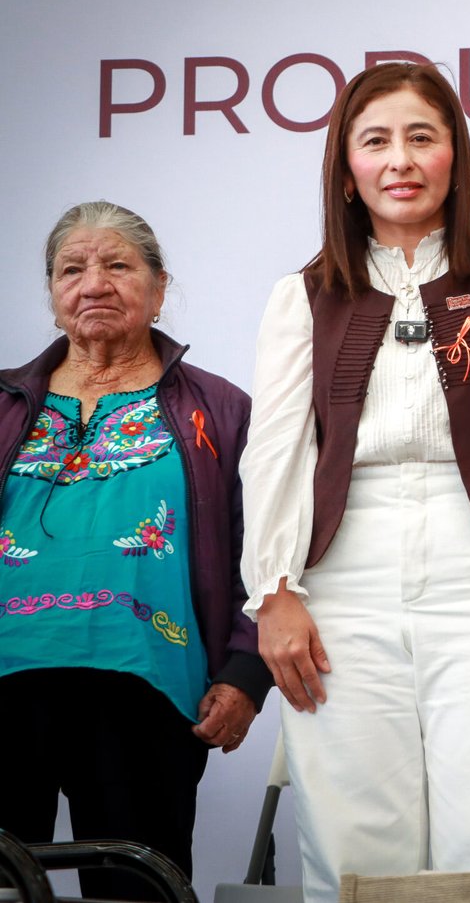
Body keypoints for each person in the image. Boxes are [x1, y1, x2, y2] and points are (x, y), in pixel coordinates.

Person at [240, 63, 470, 902]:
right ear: (346, 170)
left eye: (422, 136)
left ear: (456, 155)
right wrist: (273, 589)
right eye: (375, 141)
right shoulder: (304, 293)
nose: (401, 160)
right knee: (354, 845)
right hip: (342, 578)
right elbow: (275, 450)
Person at [0, 201, 270, 900]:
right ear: (53, 292)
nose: (94, 283)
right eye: (72, 269)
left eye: (117, 265)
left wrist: (246, 671)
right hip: (5, 678)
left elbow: (266, 549)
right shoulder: (2, 403)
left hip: (147, 682)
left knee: (135, 887)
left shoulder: (221, 408)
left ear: (159, 286)